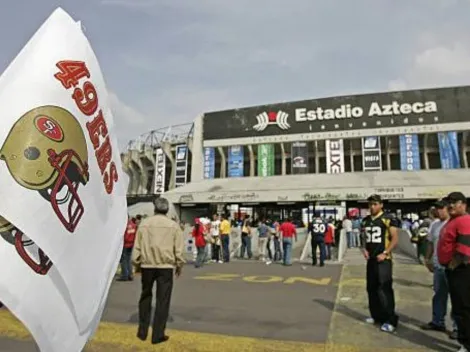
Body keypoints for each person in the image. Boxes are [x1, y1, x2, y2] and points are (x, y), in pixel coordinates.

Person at [132, 197, 184, 345]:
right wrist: (179, 265)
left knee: (145, 296)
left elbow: (137, 247)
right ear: (167, 210)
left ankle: (142, 332)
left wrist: (136, 264)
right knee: (163, 300)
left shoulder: (144, 224)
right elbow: (178, 249)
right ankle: (158, 335)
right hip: (165, 267)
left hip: (147, 265)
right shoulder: (173, 226)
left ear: (154, 209)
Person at [361, 194, 399, 333]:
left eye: (375, 204)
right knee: (371, 288)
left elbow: (395, 238)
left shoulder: (388, 219)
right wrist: (364, 249)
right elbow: (364, 237)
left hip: (384, 260)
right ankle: (376, 316)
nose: (372, 207)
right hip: (371, 259)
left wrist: (385, 253)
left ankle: (391, 320)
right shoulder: (365, 220)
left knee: (384, 289)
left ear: (381, 205)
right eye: (370, 204)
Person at [437, 192, 470, 352]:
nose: (450, 206)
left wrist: (453, 265)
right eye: (448, 203)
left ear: (463, 204)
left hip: (461, 270)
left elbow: (464, 248)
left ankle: (467, 343)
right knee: (459, 307)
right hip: (453, 270)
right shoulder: (453, 221)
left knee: (464, 308)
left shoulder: (464, 220)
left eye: (454, 202)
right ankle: (464, 341)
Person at [421, 200, 458, 339]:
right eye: (437, 208)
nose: (439, 211)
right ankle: (438, 322)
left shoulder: (455, 223)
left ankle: (457, 327)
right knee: (439, 295)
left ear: (448, 208)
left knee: (456, 298)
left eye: (441, 208)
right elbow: (430, 242)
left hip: (453, 267)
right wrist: (427, 259)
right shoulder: (434, 224)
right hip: (438, 266)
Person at [118, 215, 137, 281]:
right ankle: (130, 274)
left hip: (125, 244)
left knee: (123, 260)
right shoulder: (133, 225)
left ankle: (124, 275)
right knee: (128, 259)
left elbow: (123, 236)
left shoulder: (124, 225)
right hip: (131, 244)